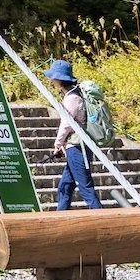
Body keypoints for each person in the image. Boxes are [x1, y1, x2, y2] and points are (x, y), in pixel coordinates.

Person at [48, 58, 102, 210]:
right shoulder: (75, 94)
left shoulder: (72, 98)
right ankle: (60, 219)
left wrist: (58, 143)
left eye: (53, 78)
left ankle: (102, 218)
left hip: (78, 148)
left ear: (59, 79)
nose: (52, 81)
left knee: (86, 188)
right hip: (76, 147)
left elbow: (66, 123)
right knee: (65, 187)